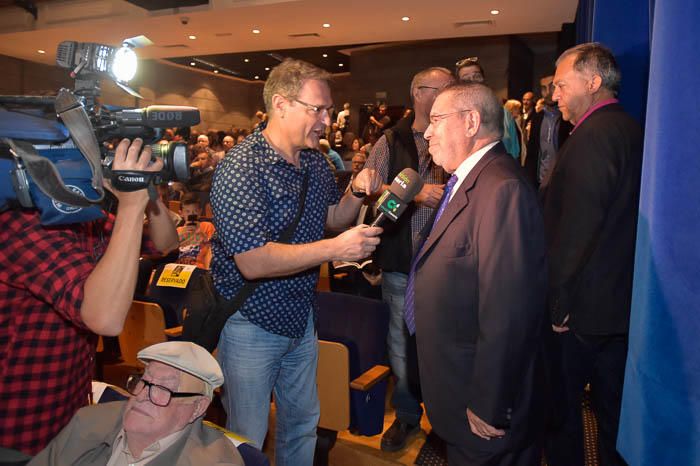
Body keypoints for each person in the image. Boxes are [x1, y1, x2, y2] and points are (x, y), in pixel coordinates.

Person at [210, 58, 383, 466]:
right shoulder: (242, 167)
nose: (327, 120)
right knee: (247, 439)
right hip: (250, 325)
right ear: (282, 104)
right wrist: (336, 250)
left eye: (327, 109)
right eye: (317, 109)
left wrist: (356, 192)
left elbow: (331, 219)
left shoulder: (315, 162)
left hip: (300, 321)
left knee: (303, 423)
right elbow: (252, 261)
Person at [0, 138, 179, 456]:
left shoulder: (81, 217)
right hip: (19, 426)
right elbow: (105, 318)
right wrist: (131, 206)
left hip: (68, 408)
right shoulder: (20, 224)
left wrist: (148, 193)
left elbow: (163, 243)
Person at [413, 82, 547, 465]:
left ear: (471, 121)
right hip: (458, 387)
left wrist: (490, 403)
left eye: (437, 119)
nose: (427, 131)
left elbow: (509, 309)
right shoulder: (469, 181)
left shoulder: (502, 189)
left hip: (482, 404)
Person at [542, 42, 643, 466]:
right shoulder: (629, 128)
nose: (554, 95)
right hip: (618, 306)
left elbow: (578, 229)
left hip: (583, 312)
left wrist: (558, 304)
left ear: (594, 81)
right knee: (613, 418)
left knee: (561, 414)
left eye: (562, 85)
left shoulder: (593, 136)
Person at [364, 66, 454, 452]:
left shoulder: (455, 134)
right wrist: (414, 196)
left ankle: (446, 421)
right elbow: (371, 195)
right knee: (400, 346)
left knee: (445, 345)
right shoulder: (390, 140)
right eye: (445, 89)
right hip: (402, 262)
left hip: (447, 267)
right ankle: (406, 417)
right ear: (419, 93)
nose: (453, 95)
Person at [29, 341, 244, 466]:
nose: (142, 394)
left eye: (164, 389)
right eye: (145, 380)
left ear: (198, 407)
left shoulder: (215, 462)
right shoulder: (88, 421)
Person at [523, 75, 572, 189]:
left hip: (563, 184)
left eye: (552, 87)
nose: (548, 92)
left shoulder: (569, 118)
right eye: (544, 88)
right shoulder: (537, 118)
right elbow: (532, 153)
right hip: (540, 184)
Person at [177, 192, 215, 269]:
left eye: (195, 211)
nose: (191, 214)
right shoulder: (178, 230)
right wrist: (180, 237)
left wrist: (202, 235)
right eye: (187, 212)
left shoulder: (207, 226)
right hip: (179, 267)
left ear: (200, 212)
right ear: (181, 213)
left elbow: (214, 249)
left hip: (199, 267)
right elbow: (169, 252)